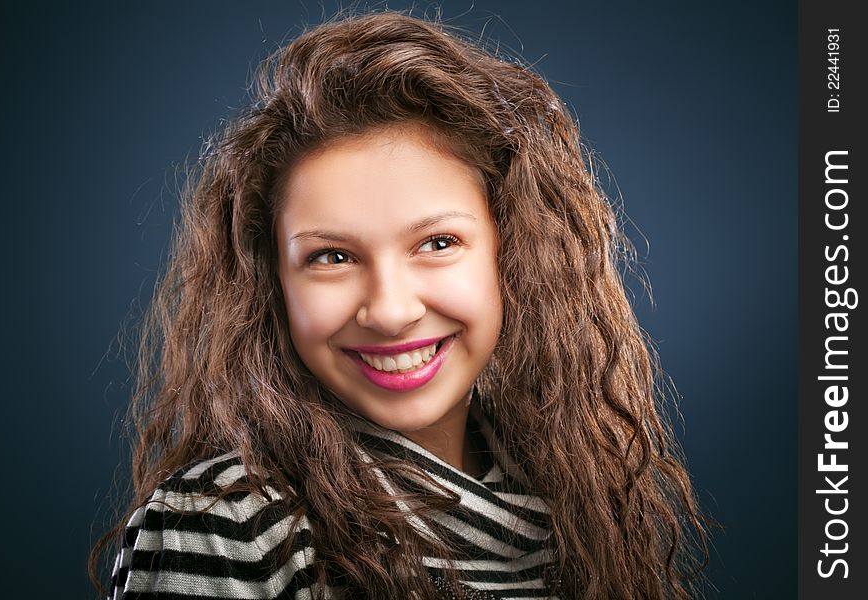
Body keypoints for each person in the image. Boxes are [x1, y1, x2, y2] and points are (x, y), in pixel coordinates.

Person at [91, 11, 708, 600]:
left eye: (437, 243)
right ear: (271, 283)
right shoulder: (226, 529)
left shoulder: (580, 508)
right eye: (332, 256)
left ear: (512, 256)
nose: (389, 311)